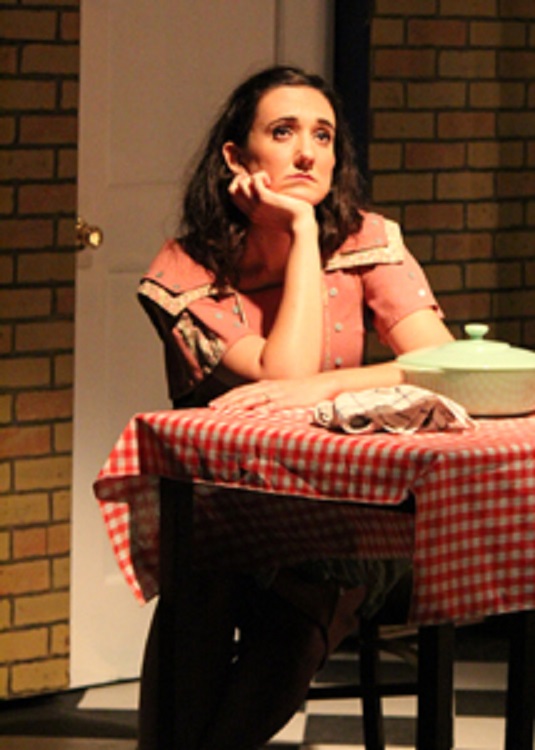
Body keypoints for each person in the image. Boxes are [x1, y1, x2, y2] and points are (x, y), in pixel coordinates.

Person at [137, 65, 454, 750]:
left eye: (323, 136)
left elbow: (444, 365)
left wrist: (324, 384)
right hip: (232, 504)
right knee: (202, 579)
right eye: (283, 132)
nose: (307, 153)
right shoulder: (187, 270)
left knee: (301, 594)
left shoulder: (367, 241)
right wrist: (302, 234)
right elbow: (283, 368)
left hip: (355, 511)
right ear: (236, 157)